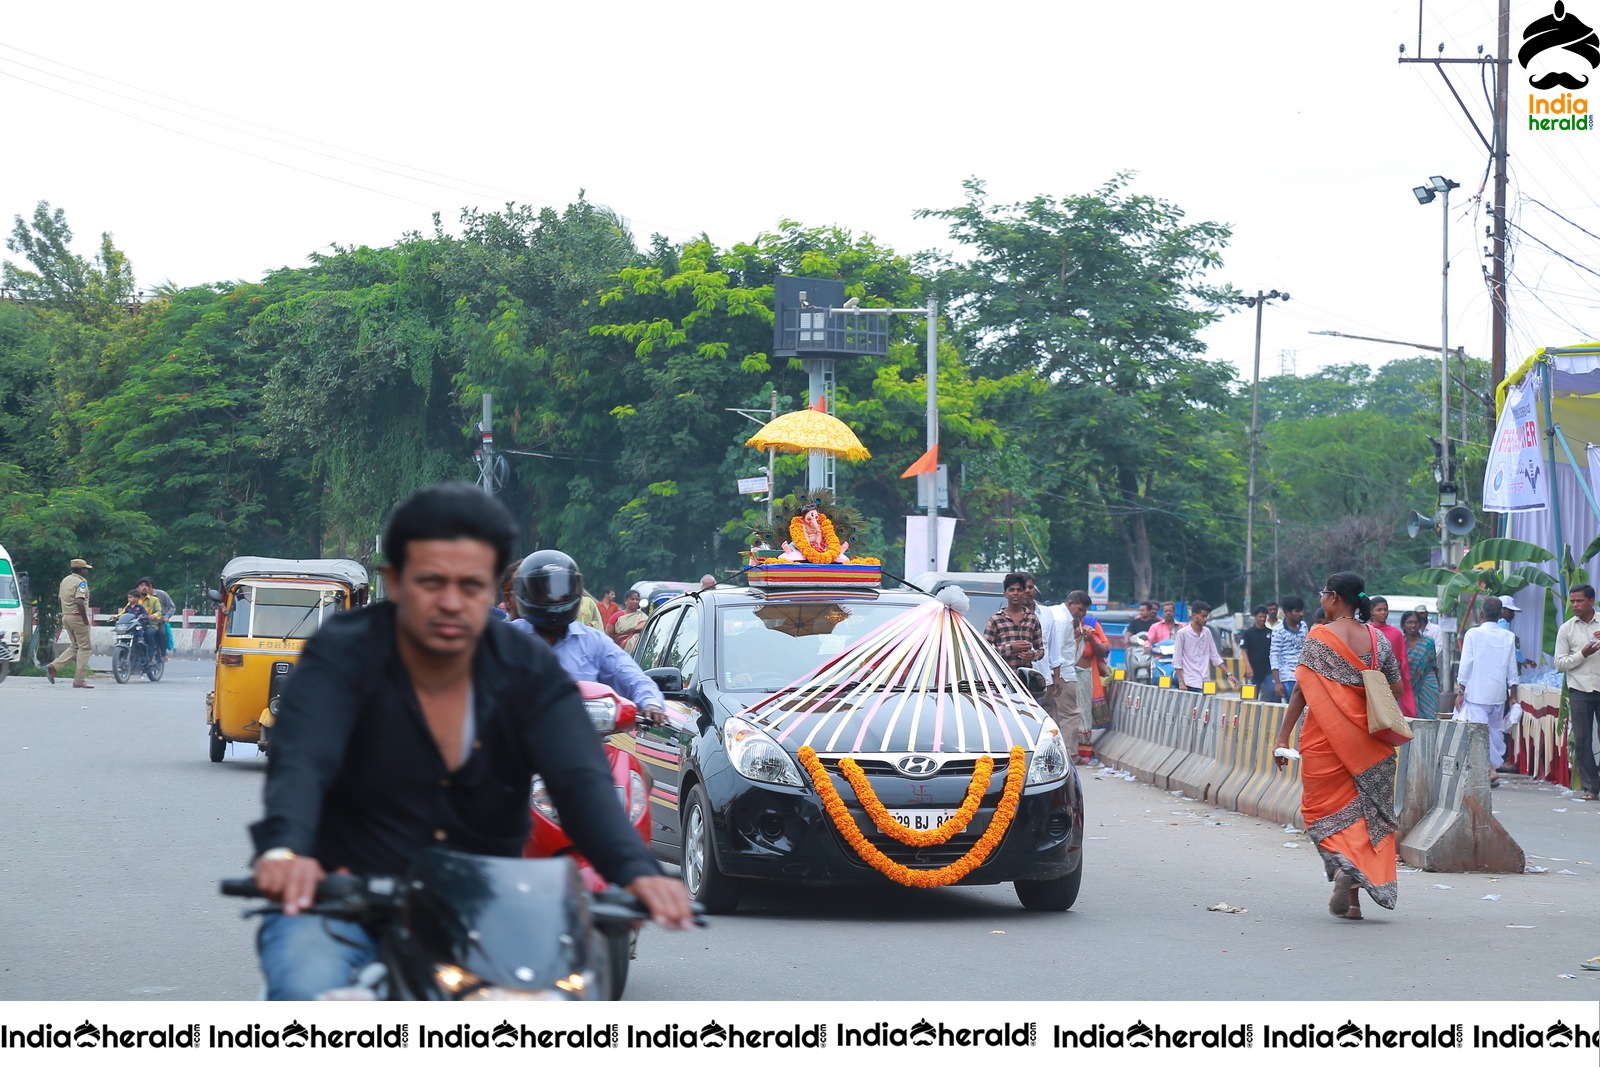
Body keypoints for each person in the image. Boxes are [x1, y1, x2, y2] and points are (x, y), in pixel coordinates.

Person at [247, 483, 692, 1000]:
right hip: (340, 899)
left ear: (495, 594)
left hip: (485, 905)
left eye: (470, 585)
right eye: (431, 582)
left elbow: (579, 780)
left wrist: (636, 872)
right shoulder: (339, 655)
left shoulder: (527, 669)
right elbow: (303, 763)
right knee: (308, 991)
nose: (452, 603)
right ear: (396, 580)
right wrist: (286, 851)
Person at [1273, 571, 1404, 921]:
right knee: (1365, 815)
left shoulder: (1319, 638)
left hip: (1325, 741)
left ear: (1333, 598)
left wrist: (1282, 737)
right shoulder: (1378, 641)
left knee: (1322, 813)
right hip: (1371, 744)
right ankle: (1355, 894)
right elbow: (1397, 689)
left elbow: (1301, 692)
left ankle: (1344, 870)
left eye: (1323, 594)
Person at [510, 549, 668, 726]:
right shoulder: (506, 638)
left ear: (576, 590)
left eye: (561, 589)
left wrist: (651, 704)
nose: (553, 598)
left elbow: (632, 677)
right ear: (525, 593)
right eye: (543, 591)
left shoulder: (594, 642)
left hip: (579, 742)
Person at [1455, 595, 1519, 786]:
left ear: (1482, 613)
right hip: (1498, 693)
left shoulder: (1473, 634)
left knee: (1478, 733)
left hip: (1476, 693)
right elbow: (1512, 668)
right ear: (1500, 614)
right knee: (1493, 732)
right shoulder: (1508, 636)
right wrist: (1513, 695)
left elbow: (1466, 664)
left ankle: (1489, 770)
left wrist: (1461, 690)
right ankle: (1488, 769)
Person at [1553, 584, 1600, 802]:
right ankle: (1591, 787)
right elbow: (1559, 664)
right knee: (1581, 739)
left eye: (1579, 601)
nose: (1575, 605)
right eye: (1572, 601)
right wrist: (1582, 654)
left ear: (1591, 601)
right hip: (1579, 689)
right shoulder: (1567, 629)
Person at [1066, 590, 1110, 763]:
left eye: (1084, 611)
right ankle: (1069, 751)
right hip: (1064, 675)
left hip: (1085, 675)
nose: (1081, 614)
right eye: (1079, 610)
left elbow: (1104, 650)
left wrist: (1091, 639)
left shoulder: (1091, 625)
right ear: (1070, 606)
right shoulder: (1060, 623)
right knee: (1066, 714)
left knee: (1084, 713)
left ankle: (1083, 752)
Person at [1024, 577, 1067, 734]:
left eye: (1031, 587)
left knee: (1048, 720)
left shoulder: (1047, 614)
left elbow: (1053, 647)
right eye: (1024, 588)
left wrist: (1057, 676)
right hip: (1016, 678)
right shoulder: (1006, 616)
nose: (1028, 591)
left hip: (1043, 677)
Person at [47, 558, 95, 688]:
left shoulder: (65, 581)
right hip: (78, 617)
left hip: (66, 616)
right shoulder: (82, 583)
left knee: (75, 646)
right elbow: (79, 601)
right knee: (85, 648)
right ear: (81, 570)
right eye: (85, 569)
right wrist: (84, 618)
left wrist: (64, 612)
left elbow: (59, 599)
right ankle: (79, 679)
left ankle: (54, 666)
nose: (86, 571)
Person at [984, 572, 1042, 675]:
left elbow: (1040, 650)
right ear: (1005, 594)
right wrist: (1011, 648)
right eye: (1011, 590)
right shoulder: (996, 620)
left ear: (1024, 593)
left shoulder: (1032, 619)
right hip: (1003, 678)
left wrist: (1032, 655)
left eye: (1019, 590)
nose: (1015, 593)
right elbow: (984, 651)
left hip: (1026, 679)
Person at [1172, 600, 1235, 692]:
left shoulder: (1207, 632)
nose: (1205, 619)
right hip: (1189, 682)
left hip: (1205, 681)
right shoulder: (1182, 633)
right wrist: (1181, 682)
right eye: (1203, 616)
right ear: (1194, 615)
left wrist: (1229, 674)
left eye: (1206, 616)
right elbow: (1177, 659)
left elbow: (1215, 656)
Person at [1367, 597, 1415, 718]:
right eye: (1379, 610)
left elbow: (1401, 659)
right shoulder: (1366, 631)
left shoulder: (1396, 633)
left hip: (1391, 681)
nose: (1383, 612)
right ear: (1371, 611)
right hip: (1370, 680)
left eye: (1385, 609)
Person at [1400, 609, 1441, 721]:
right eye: (1409, 622)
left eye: (1415, 622)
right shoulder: (1400, 642)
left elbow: (1432, 664)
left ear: (1420, 624)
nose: (1413, 625)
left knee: (1428, 718)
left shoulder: (1428, 642)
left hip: (1427, 682)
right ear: (1403, 625)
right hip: (1405, 685)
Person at [1270, 595, 1309, 702]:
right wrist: (1278, 683)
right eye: (1297, 611)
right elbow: (1274, 656)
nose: (1301, 614)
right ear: (1287, 612)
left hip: (1303, 675)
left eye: (1302, 611)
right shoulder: (1278, 631)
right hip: (1288, 677)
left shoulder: (1304, 627)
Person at [1239, 606, 1277, 701]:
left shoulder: (1271, 633)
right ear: (1255, 617)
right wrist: (1248, 667)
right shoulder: (1248, 634)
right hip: (1253, 671)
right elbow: (1244, 650)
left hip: (1268, 670)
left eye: (1264, 617)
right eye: (1260, 617)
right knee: (1249, 697)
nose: (1262, 619)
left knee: (1272, 691)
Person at [135, 577, 171, 663]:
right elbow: (127, 609)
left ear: (150, 587)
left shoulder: (157, 598)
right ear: (137, 588)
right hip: (139, 624)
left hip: (154, 622)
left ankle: (157, 655)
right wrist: (117, 616)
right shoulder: (135, 599)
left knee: (159, 633)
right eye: (142, 585)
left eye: (146, 586)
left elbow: (160, 611)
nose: (145, 587)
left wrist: (161, 616)